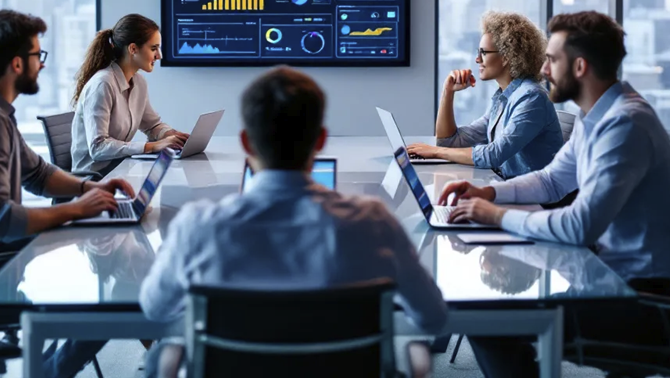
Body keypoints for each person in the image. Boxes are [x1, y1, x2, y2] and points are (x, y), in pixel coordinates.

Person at [139, 66, 448, 376]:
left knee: (160, 361)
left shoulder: (198, 227)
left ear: (246, 142)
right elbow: (433, 317)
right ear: (321, 140)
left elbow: (154, 309)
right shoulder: (374, 222)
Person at [437, 11, 670, 378]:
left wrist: (493, 214)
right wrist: (487, 191)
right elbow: (551, 181)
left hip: (642, 300)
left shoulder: (625, 125)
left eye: (552, 60)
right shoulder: (598, 117)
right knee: (487, 315)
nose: (543, 69)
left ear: (580, 66)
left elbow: (579, 228)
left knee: (488, 321)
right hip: (608, 278)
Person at [0, 10, 134, 378]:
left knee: (112, 257)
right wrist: (75, 211)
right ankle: (48, 371)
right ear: (17, 63)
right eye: (39, 56)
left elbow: (37, 174)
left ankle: (46, 366)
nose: (42, 64)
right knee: (114, 301)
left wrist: (89, 188)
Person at [407, 11, 563, 178]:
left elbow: (494, 155)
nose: (477, 60)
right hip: (508, 187)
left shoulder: (531, 97)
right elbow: (450, 142)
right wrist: (448, 91)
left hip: (535, 199)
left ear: (506, 57)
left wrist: (436, 152)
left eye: (484, 53)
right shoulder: (504, 98)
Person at [71, 14, 188, 176]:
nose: (159, 56)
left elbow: (152, 125)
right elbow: (98, 148)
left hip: (122, 170)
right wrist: (152, 146)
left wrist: (173, 136)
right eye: (154, 48)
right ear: (133, 49)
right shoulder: (102, 84)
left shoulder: (139, 82)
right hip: (95, 179)